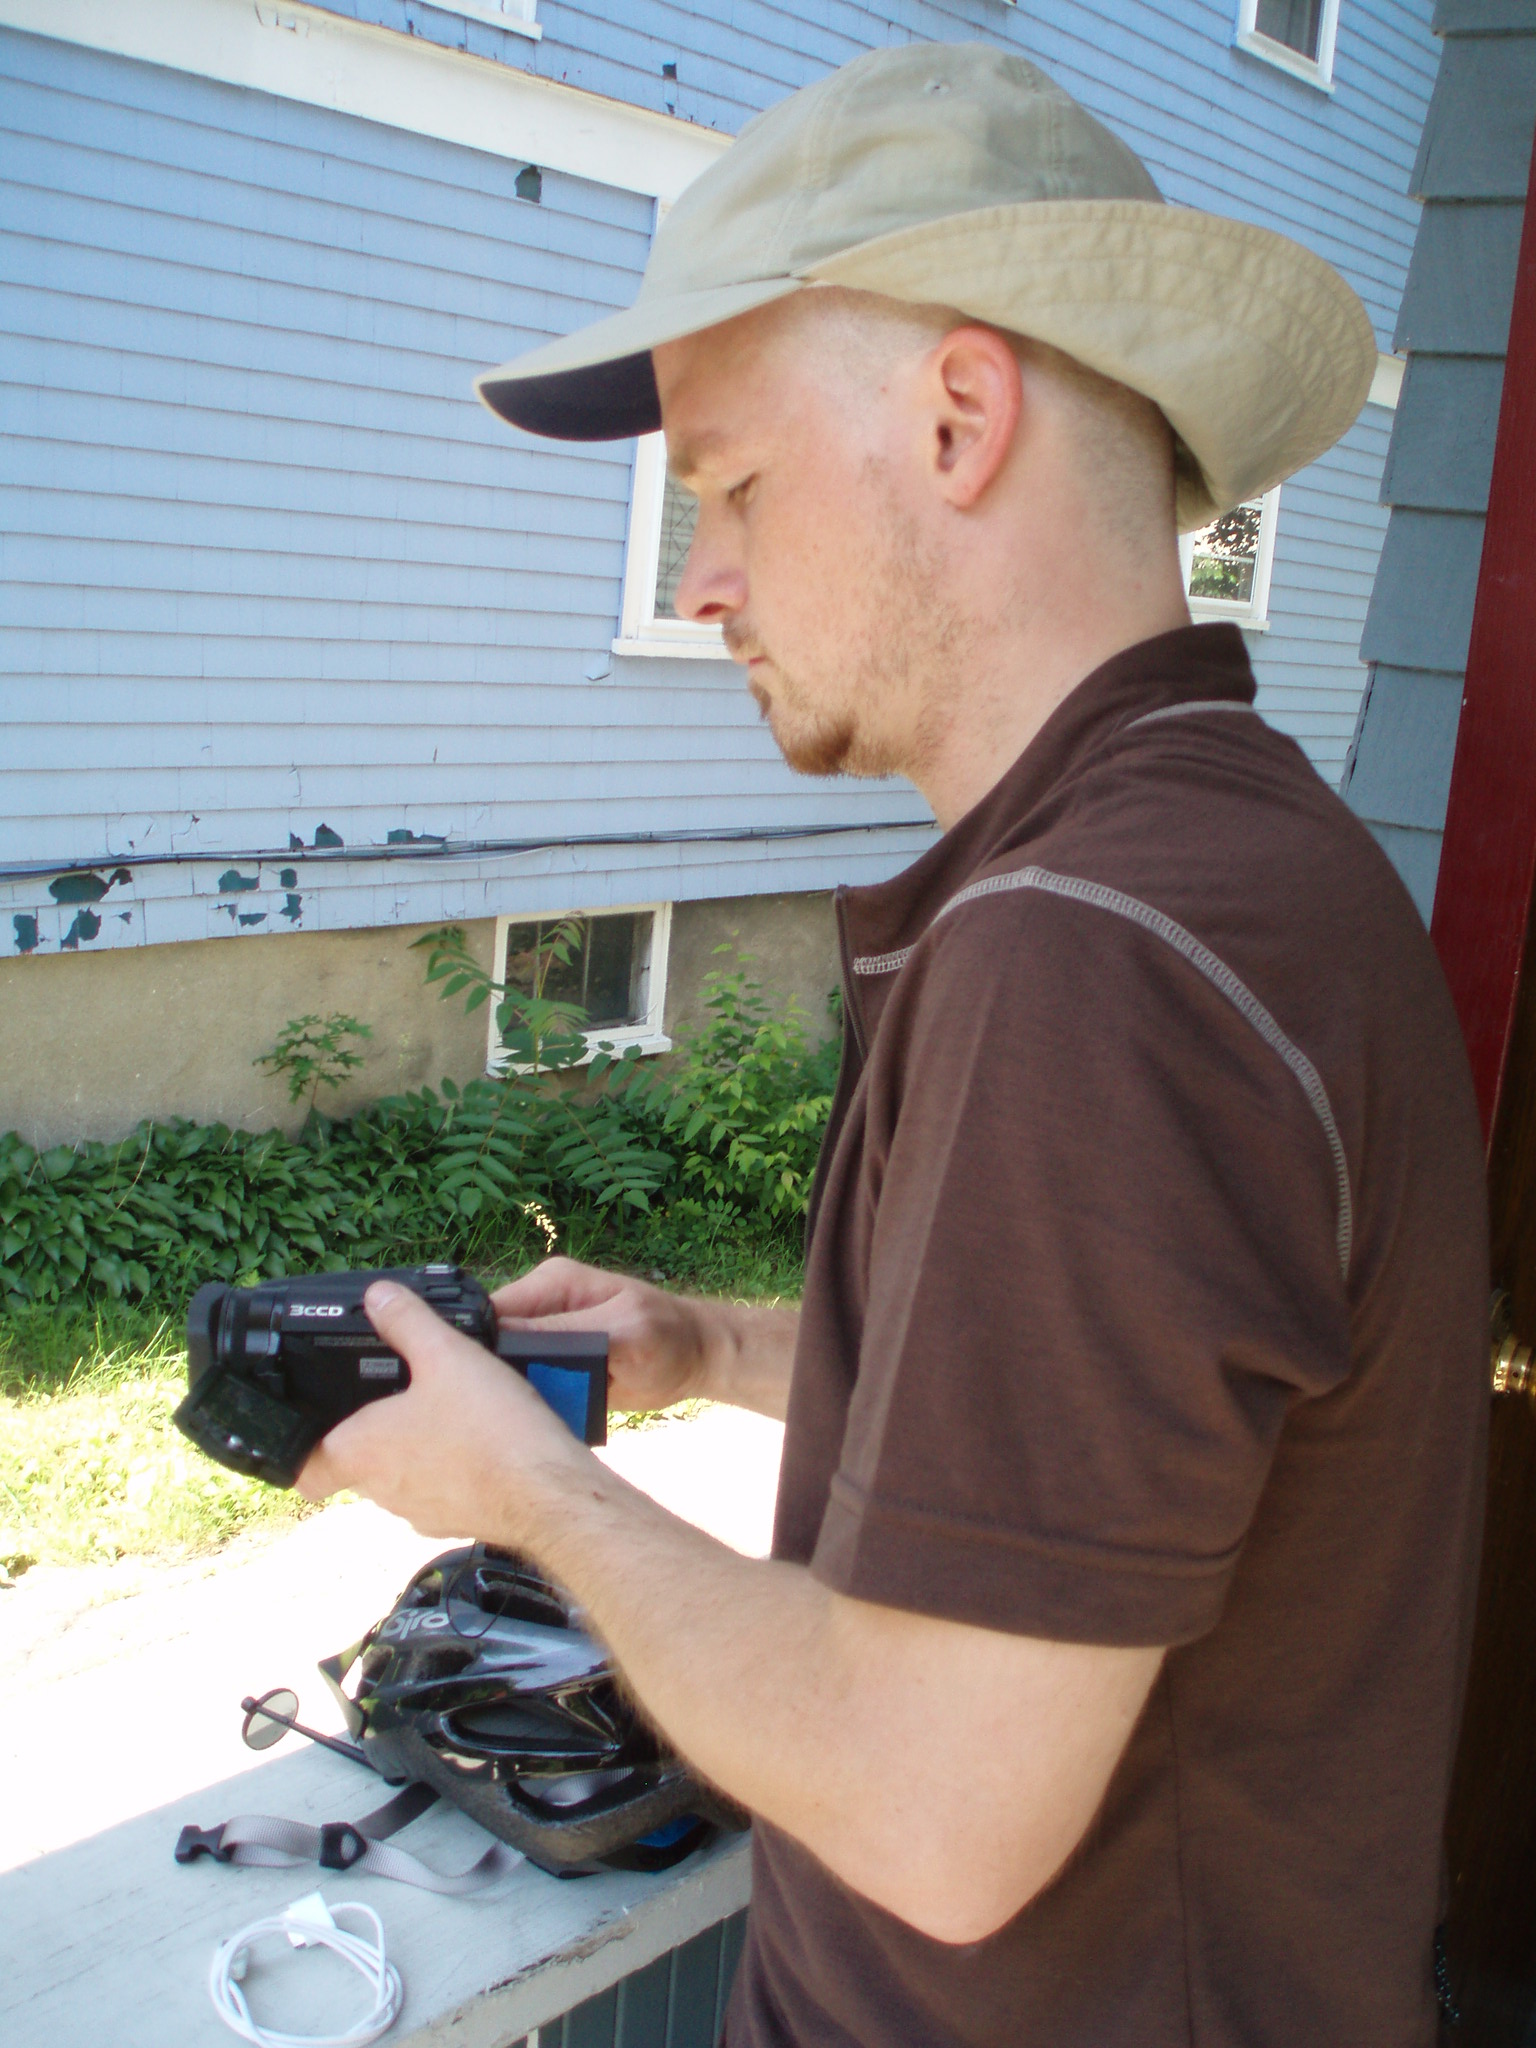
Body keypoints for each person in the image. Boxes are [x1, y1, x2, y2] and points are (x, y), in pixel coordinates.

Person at [298, 44, 1490, 2048]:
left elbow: (944, 1811)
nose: (702, 576)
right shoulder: (1243, 863)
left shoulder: (1096, 949)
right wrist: (718, 1348)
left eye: (734, 483)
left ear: (957, 418)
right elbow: (1154, 1446)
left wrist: (533, 1495)